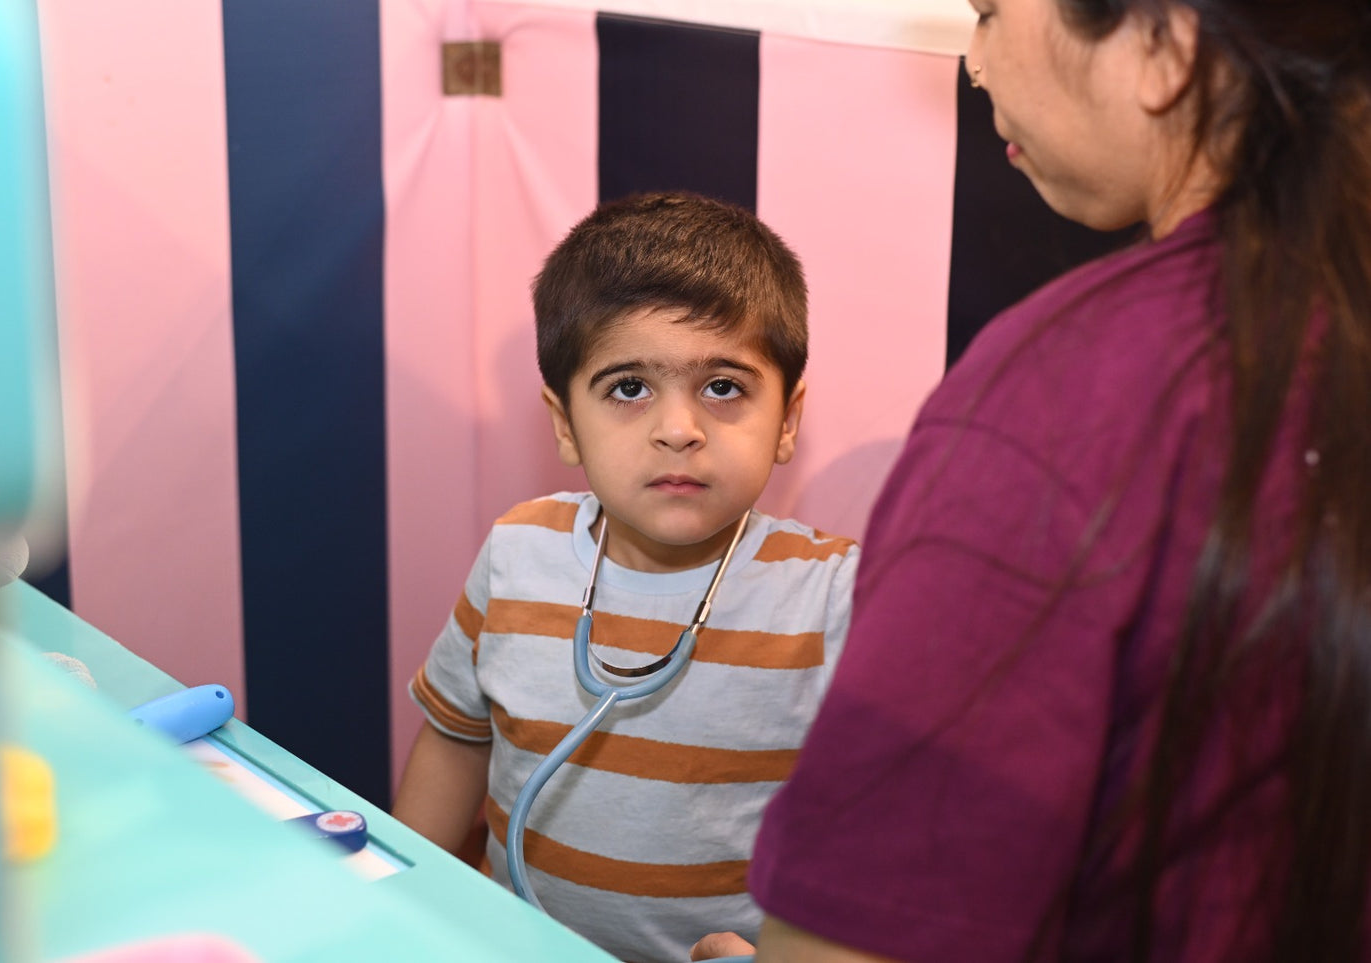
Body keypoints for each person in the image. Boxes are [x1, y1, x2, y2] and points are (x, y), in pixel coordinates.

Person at [691, 0, 1371, 960]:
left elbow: (868, 928)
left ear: (1162, 45)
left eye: (988, 13)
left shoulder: (1068, 393)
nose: (975, 64)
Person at [391, 191, 859, 963]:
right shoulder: (518, 553)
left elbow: (889, 835)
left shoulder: (830, 595)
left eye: (723, 386)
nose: (678, 428)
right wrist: (410, 902)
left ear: (787, 420)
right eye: (628, 388)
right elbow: (454, 739)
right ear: (564, 422)